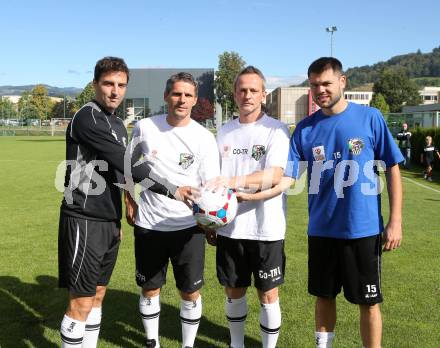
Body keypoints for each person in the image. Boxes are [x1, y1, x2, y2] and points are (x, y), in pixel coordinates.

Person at [58, 57, 192, 348]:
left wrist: (123, 207)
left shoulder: (117, 124)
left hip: (107, 220)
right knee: (80, 301)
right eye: (108, 84)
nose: (115, 91)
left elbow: (117, 173)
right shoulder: (88, 117)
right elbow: (129, 164)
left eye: (121, 85)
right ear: (95, 85)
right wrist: (174, 190)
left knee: (97, 294)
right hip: (84, 218)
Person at [284, 57, 404, 348]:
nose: (320, 90)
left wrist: (395, 221)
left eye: (326, 83)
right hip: (322, 229)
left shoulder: (370, 118)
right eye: (314, 85)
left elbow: (393, 167)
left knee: (370, 302)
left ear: (342, 81)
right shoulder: (304, 129)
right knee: (324, 296)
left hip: (362, 230)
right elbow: (286, 177)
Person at [125, 72, 220, 348]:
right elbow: (128, 165)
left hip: (188, 227)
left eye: (188, 95)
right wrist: (129, 200)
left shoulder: (203, 138)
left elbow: (210, 186)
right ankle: (151, 342)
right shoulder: (145, 127)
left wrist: (209, 222)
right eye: (177, 94)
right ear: (166, 96)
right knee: (150, 288)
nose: (182, 100)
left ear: (195, 99)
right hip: (150, 224)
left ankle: (187, 345)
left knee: (190, 292)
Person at [207, 66, 290, 348]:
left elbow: (274, 176)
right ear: (234, 94)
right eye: (242, 90)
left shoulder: (276, 130)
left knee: (268, 294)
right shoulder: (224, 132)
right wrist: (209, 220)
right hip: (230, 227)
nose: (247, 95)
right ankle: (237, 344)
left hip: (267, 228)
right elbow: (212, 183)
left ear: (263, 94)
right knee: (233, 291)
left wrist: (233, 182)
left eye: (254, 90)